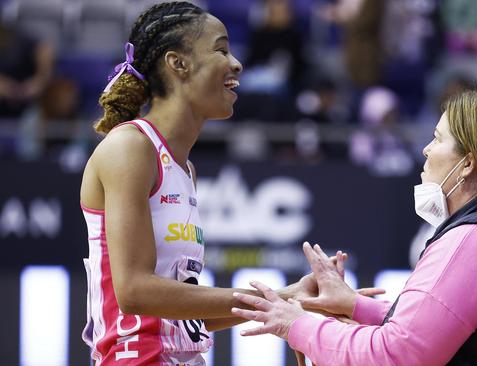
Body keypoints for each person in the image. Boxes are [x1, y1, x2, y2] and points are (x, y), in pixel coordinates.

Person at [230, 86, 477, 365]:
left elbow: (398, 356)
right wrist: (355, 306)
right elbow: (457, 328)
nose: (426, 150)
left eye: (437, 138)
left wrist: (295, 324)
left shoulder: (476, 240)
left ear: (468, 163)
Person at [79, 2, 320, 364]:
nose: (236, 63)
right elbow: (134, 291)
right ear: (178, 63)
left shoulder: (184, 168)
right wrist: (271, 301)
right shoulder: (130, 147)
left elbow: (185, 312)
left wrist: (290, 300)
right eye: (221, 49)